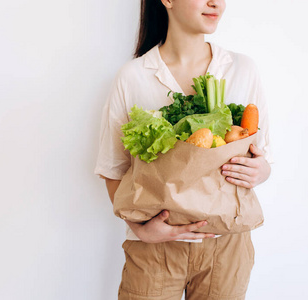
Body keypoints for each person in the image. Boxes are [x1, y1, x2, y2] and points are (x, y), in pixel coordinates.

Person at [94, 0, 274, 299]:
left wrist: (260, 171)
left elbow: (263, 157)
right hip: (155, 246)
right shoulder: (133, 76)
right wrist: (140, 228)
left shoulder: (242, 68)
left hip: (227, 242)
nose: (216, 3)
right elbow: (113, 169)